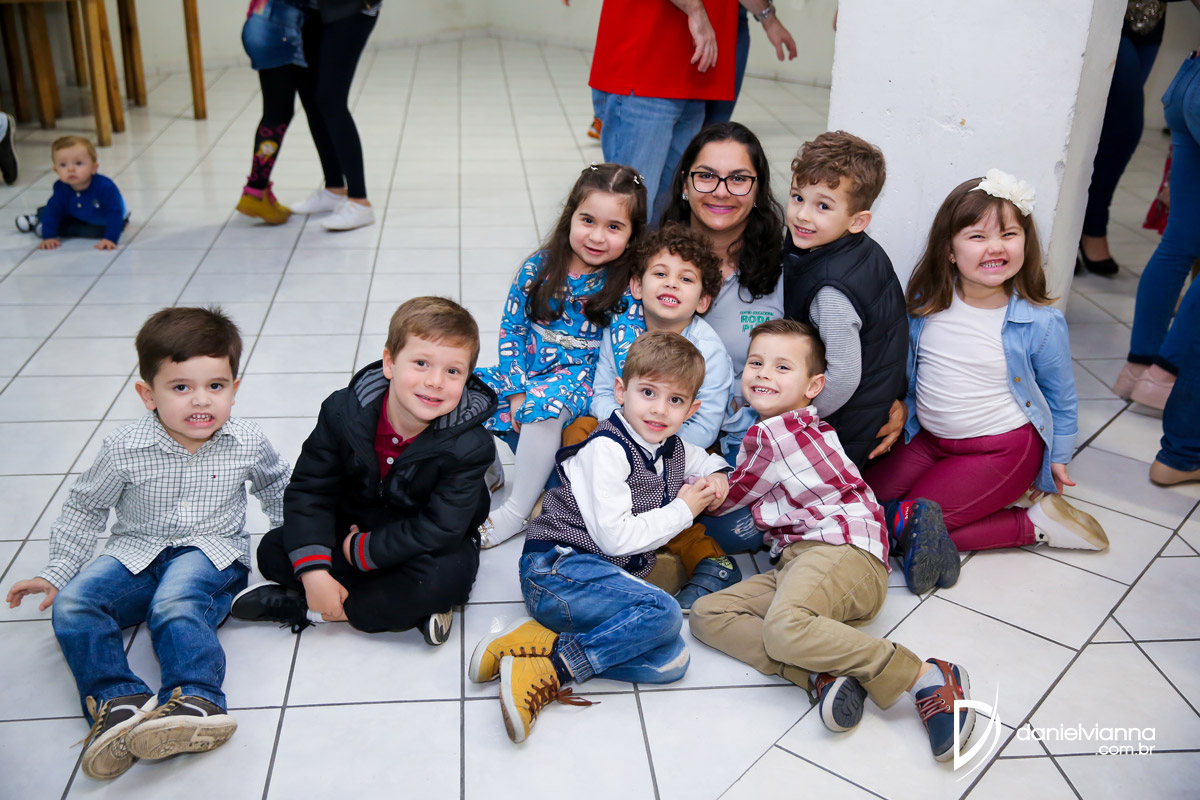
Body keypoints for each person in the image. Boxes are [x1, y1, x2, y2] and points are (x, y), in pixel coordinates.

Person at [5, 307, 290, 781]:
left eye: (215, 386)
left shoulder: (247, 440)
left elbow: (278, 489)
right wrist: (57, 571)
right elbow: (85, 507)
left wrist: (303, 554)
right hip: (136, 549)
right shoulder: (123, 447)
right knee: (75, 605)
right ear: (147, 394)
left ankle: (195, 699)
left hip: (211, 552)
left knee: (174, 604)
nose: (201, 400)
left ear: (234, 389)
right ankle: (119, 703)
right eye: (180, 387)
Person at [689, 319, 973, 763]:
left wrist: (689, 491)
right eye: (756, 363)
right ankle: (822, 675)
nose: (764, 374)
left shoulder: (772, 433)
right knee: (709, 614)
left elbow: (731, 498)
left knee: (783, 628)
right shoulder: (799, 426)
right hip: (806, 565)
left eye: (783, 367)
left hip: (842, 553)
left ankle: (924, 675)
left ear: (813, 386)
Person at [467, 332, 732, 744]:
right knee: (664, 614)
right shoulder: (607, 449)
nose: (659, 409)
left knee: (673, 661)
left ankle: (539, 643)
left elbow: (707, 459)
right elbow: (616, 541)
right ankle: (550, 671)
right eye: (648, 392)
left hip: (592, 580)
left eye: (676, 400)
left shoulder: (671, 447)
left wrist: (718, 475)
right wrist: (684, 510)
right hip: (555, 571)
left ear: (691, 410)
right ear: (621, 392)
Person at [866, 171, 1110, 594]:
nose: (995, 247)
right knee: (863, 503)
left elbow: (1062, 397)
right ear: (949, 250)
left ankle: (1033, 525)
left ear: (1025, 245)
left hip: (1001, 449)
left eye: (1009, 234)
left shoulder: (1040, 323)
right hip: (929, 441)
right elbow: (909, 376)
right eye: (977, 236)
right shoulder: (925, 307)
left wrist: (1058, 456)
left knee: (907, 525)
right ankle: (947, 518)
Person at [233, 297, 496, 645]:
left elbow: (441, 528)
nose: (435, 381)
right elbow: (311, 490)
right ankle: (391, 606)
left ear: (466, 378)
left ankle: (311, 607)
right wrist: (314, 571)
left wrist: (361, 551)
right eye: (421, 363)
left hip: (423, 540)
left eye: (453, 371)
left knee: (444, 580)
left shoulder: (472, 445)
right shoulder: (342, 412)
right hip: (355, 522)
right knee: (273, 550)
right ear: (389, 363)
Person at [474, 163, 647, 549]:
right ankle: (485, 468)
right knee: (465, 388)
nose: (597, 236)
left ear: (633, 235)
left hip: (577, 377)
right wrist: (516, 387)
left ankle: (517, 510)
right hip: (527, 366)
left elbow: (627, 348)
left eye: (614, 227)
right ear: (571, 216)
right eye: (588, 220)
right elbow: (512, 329)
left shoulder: (624, 285)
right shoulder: (539, 266)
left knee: (545, 406)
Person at [586, 222, 739, 608]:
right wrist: (629, 429)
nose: (671, 283)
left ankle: (695, 557)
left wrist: (650, 440)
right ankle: (587, 524)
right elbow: (602, 392)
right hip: (624, 430)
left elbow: (704, 427)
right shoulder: (619, 332)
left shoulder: (709, 352)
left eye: (686, 279)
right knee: (580, 432)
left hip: (678, 444)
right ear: (637, 286)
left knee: (689, 488)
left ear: (703, 300)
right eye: (660, 274)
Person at [780, 131, 908, 472]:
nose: (802, 215)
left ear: (858, 221)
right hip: (868, 402)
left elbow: (844, 376)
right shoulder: (854, 250)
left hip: (843, 425)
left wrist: (799, 417)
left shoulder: (832, 290)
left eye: (823, 206)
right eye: (797, 197)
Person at [589, 0, 737, 221]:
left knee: (666, 212)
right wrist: (696, 11)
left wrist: (767, 17)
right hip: (647, 63)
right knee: (632, 210)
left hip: (692, 74)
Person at [1111, 44, 1200, 411]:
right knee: (1179, 245)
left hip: (1190, 80)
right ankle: (1163, 378)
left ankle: (1138, 370)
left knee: (1178, 244)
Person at [1077, 1, 1177, 275]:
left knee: (1111, 129)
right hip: (1104, 13)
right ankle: (1086, 226)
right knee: (1122, 125)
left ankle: (1085, 226)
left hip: (1151, 18)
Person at [286, 0, 380, 231]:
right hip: (311, 9)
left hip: (351, 8)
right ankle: (334, 188)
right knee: (311, 97)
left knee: (331, 100)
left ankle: (359, 201)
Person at [234, 0, 308, 225]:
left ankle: (258, 190)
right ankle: (255, 192)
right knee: (277, 114)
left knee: (276, 112)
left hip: (261, 22)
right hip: (278, 28)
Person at [15, 135, 129, 250]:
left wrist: (110, 238)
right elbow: (53, 210)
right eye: (63, 165)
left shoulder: (105, 187)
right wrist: (49, 236)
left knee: (96, 232)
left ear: (94, 168)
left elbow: (114, 213)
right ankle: (39, 220)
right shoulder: (61, 187)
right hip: (77, 212)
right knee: (51, 210)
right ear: (56, 170)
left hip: (105, 218)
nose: (70, 169)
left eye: (78, 163)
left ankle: (39, 224)